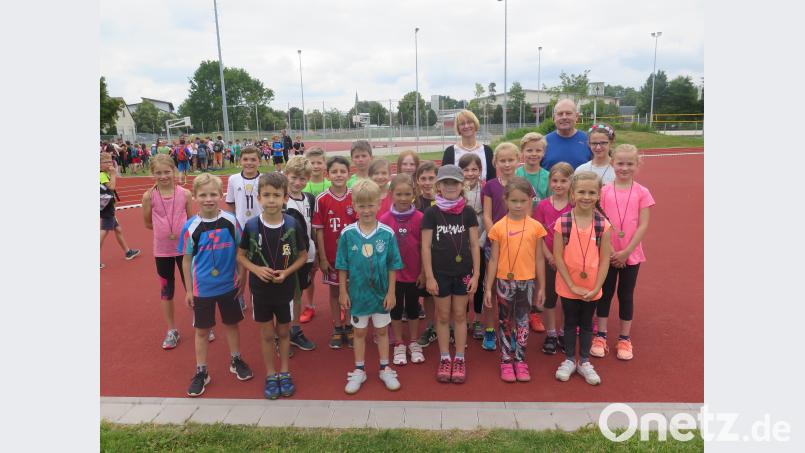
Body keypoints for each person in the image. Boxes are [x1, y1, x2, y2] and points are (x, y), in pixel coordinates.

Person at [179, 173, 254, 397]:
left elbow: (242, 250)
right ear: (195, 196)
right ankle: (202, 371)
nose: (208, 199)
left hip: (229, 285)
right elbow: (186, 259)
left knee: (232, 325)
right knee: (202, 331)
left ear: (221, 195)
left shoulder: (231, 221)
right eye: (203, 195)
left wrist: (242, 275)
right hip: (203, 289)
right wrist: (189, 290)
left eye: (213, 194)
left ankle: (236, 359)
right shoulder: (191, 226)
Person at [237, 172, 307, 399]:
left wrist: (287, 272)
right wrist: (256, 269)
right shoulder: (251, 226)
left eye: (276, 195)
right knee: (267, 335)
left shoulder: (293, 224)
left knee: (284, 332)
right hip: (260, 291)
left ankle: (285, 372)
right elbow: (241, 256)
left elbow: (303, 256)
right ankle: (270, 374)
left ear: (285, 198)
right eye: (266, 195)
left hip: (285, 290)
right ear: (258, 198)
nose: (271, 200)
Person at [337, 179, 404, 394]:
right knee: (359, 333)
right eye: (361, 205)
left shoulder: (387, 233)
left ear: (379, 204)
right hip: (358, 295)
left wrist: (392, 292)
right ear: (354, 206)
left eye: (370, 205)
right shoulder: (348, 234)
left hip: (381, 295)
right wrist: (342, 291)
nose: (366, 210)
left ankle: (385, 367)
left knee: (382, 331)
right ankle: (359, 370)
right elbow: (342, 265)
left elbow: (393, 265)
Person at [591, 144, 654, 361]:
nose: (624, 168)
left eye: (629, 164)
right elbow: (600, 222)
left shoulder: (642, 192)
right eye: (620, 163)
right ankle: (600, 334)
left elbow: (643, 225)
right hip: (607, 254)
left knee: (625, 295)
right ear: (612, 163)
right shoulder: (604, 191)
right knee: (605, 294)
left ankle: (625, 338)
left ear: (637, 165)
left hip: (631, 254)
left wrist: (626, 252)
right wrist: (610, 251)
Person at [484, 176, 547, 382]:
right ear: (505, 201)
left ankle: (520, 359)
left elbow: (539, 258)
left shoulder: (536, 227)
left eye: (523, 201)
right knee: (504, 321)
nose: (518, 205)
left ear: (530, 200)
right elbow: (493, 259)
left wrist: (541, 287)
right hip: (503, 282)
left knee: (522, 321)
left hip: (526, 282)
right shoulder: (498, 227)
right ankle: (505, 360)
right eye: (514, 201)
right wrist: (487, 288)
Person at [422, 165, 480, 384]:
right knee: (443, 316)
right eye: (445, 183)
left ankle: (460, 358)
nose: (450, 186)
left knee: (460, 316)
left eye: (454, 182)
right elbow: (426, 247)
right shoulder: (431, 213)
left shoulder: (468, 212)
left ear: (461, 185)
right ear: (438, 186)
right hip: (440, 274)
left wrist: (476, 275)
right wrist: (429, 276)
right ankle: (445, 356)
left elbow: (475, 244)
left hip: (463, 272)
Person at [553, 171, 612, 386]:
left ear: (598, 195)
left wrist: (596, 286)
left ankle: (584, 361)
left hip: (592, 287)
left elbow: (605, 259)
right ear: (572, 194)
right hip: (569, 286)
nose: (586, 197)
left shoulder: (603, 225)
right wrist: (571, 284)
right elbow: (558, 256)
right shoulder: (563, 222)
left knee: (587, 324)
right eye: (581, 192)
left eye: (591, 192)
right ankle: (569, 359)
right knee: (569, 323)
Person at [482, 142, 537, 349]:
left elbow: (528, 215)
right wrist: (496, 237)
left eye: (510, 160)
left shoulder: (524, 185)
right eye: (502, 160)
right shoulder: (490, 186)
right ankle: (489, 329)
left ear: (517, 160)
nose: (506, 164)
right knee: (494, 290)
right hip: (495, 245)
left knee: (515, 294)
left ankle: (512, 330)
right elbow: (487, 216)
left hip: (519, 247)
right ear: (495, 162)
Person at [142, 155, 193, 349]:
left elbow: (190, 219)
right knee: (166, 291)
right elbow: (147, 222)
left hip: (184, 250)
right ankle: (172, 329)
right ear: (152, 174)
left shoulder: (185, 194)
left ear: (174, 171)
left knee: (191, 287)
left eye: (167, 172)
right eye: (158, 173)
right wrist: (165, 231)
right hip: (162, 251)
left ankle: (201, 321)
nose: (163, 176)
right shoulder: (149, 196)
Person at [378, 174, 426, 366]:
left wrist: (423, 272)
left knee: (413, 309)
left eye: (407, 194)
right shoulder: (384, 219)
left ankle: (413, 342)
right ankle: (399, 342)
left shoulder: (420, 218)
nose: (403, 198)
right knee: (395, 311)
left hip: (414, 274)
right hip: (393, 276)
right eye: (399, 194)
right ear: (391, 194)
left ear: (414, 194)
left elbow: (424, 247)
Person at [312, 156, 358, 349]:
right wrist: (322, 258)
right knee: (334, 291)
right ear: (327, 174)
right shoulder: (321, 199)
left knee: (351, 291)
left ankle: (349, 325)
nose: (339, 175)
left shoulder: (354, 197)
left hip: (353, 257)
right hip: (331, 257)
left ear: (349, 174)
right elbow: (319, 230)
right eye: (334, 172)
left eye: (342, 171)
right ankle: (337, 327)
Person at [533, 162, 574, 355]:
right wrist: (550, 257)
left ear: (571, 182)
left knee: (567, 300)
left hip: (570, 262)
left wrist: (565, 259)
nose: (559, 185)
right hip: (549, 261)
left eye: (564, 181)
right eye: (555, 180)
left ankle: (565, 333)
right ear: (549, 182)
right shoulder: (542, 206)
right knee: (549, 299)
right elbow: (539, 235)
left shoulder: (574, 205)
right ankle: (550, 334)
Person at [515, 133, 551, 333]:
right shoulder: (516, 175)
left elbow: (551, 206)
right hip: (519, 233)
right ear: (522, 152)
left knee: (538, 275)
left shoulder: (547, 177)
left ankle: (535, 312)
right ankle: (520, 311)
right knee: (521, 275)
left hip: (540, 233)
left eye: (538, 150)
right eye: (529, 150)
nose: (533, 154)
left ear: (544, 152)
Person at [283, 156, 317, 351]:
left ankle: (294, 330)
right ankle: (282, 332)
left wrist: (316, 253)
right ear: (286, 175)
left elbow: (311, 228)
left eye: (303, 179)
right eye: (294, 177)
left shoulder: (309, 199)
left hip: (306, 254)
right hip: (286, 257)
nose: (298, 182)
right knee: (283, 295)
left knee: (297, 293)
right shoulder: (281, 199)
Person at [458, 153, 487, 340]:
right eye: (466, 169)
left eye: (474, 169)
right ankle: (462, 318)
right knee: (461, 284)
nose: (470, 173)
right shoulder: (457, 189)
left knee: (479, 282)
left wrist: (481, 240)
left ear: (480, 171)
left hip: (481, 238)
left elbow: (488, 216)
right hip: (461, 243)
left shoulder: (485, 189)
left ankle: (477, 318)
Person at [100, 152, 140, 269]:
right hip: (106, 207)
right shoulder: (102, 175)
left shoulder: (104, 174)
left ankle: (128, 252)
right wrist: (113, 174)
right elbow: (111, 187)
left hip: (108, 206)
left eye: (110, 161)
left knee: (118, 229)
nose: (109, 163)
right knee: (104, 231)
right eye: (105, 162)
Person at [414, 161, 439, 347]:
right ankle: (431, 327)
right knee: (428, 295)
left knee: (448, 296)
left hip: (443, 255)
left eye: (431, 178)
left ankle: (450, 327)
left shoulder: (445, 200)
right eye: (423, 178)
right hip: (422, 257)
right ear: (417, 180)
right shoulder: (414, 203)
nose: (427, 182)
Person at [441, 110, 496, 181]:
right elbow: (445, 180)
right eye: (462, 124)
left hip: (483, 192)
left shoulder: (487, 151)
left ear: (475, 124)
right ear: (458, 128)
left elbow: (492, 179)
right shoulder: (450, 152)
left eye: (469, 122)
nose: (466, 126)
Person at [541, 99, 592, 170]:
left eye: (568, 113)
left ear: (576, 116)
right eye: (560, 114)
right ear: (554, 118)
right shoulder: (543, 142)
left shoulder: (589, 140)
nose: (564, 117)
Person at [225, 146, 262, 229]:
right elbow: (231, 204)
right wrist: (231, 223)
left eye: (253, 159)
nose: (249, 162)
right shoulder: (233, 179)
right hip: (240, 225)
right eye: (245, 159)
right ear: (240, 161)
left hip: (260, 224)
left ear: (259, 161)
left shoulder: (264, 179)